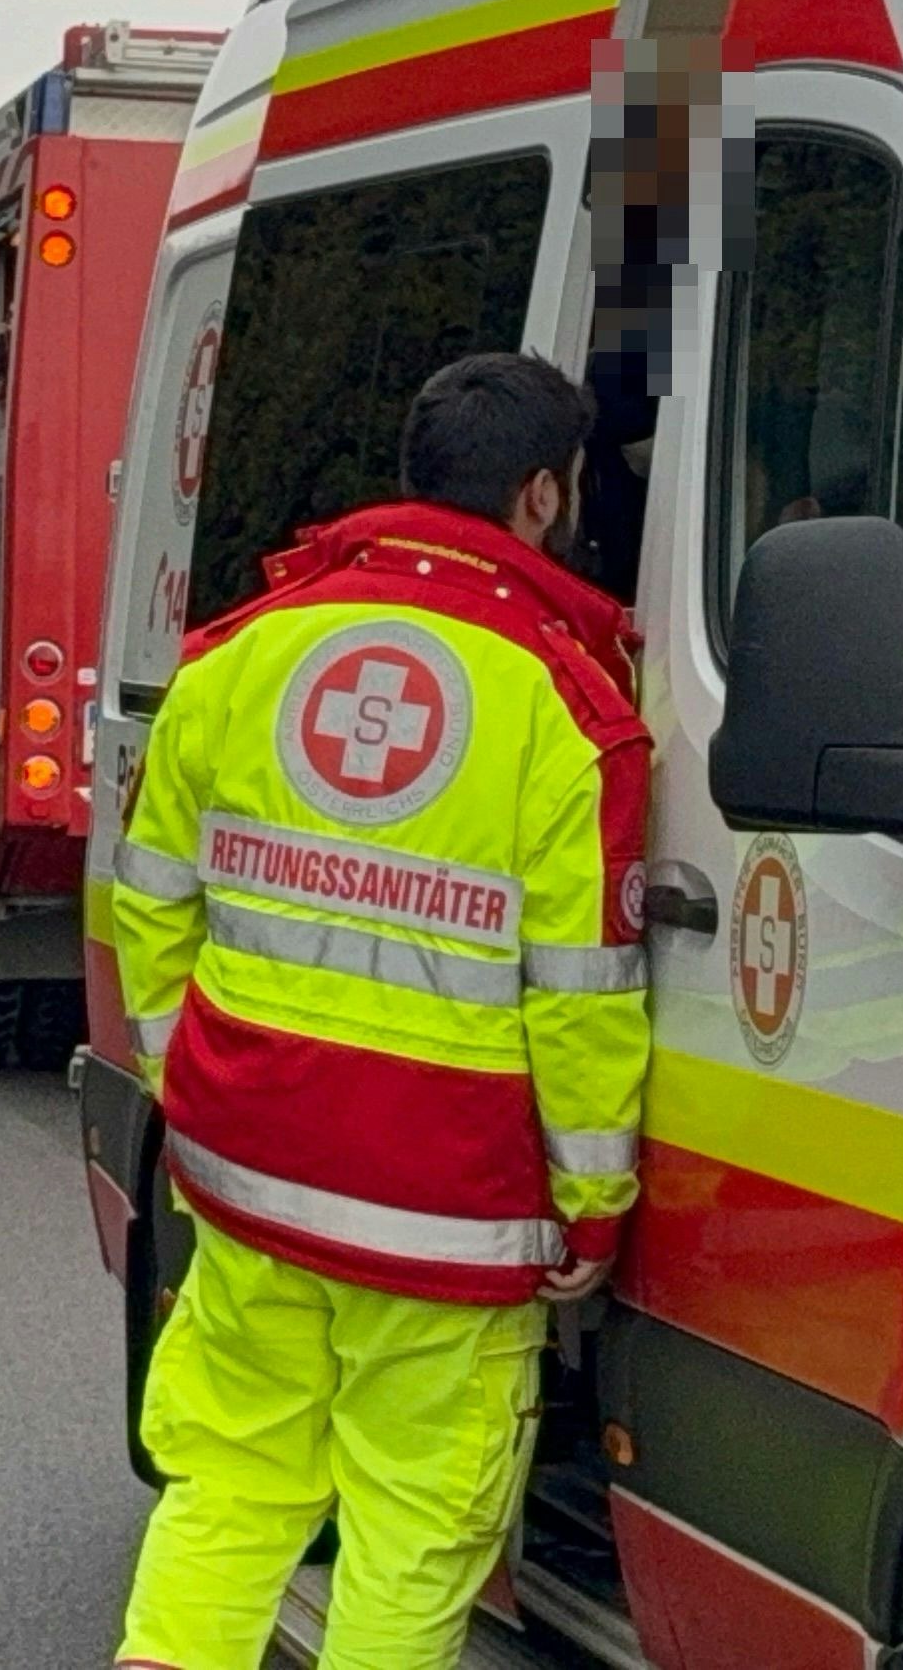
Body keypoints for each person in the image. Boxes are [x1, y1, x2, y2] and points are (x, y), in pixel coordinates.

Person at [111, 352, 652, 1670]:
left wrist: (203, 1091)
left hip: (250, 1176)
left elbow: (150, 906)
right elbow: (581, 998)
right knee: (412, 1531)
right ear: (540, 495)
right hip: (447, 1218)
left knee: (231, 1489)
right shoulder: (570, 707)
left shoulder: (241, 655)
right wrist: (591, 1204)